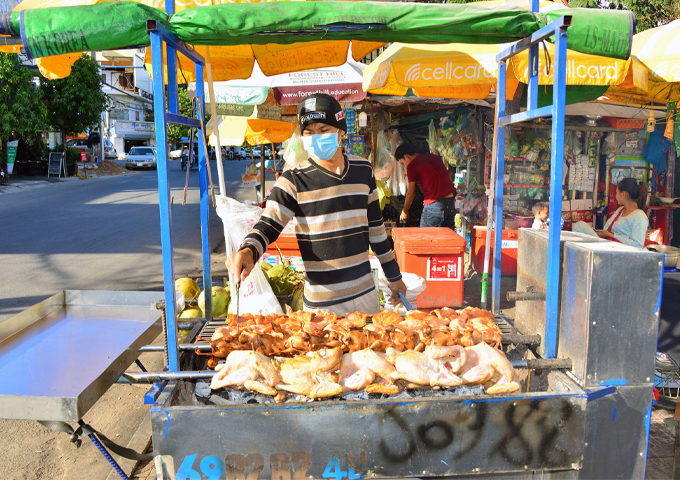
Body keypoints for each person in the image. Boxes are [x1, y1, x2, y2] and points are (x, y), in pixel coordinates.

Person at [226, 93, 407, 315]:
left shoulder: (363, 170)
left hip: (365, 296)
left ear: (341, 131)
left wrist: (394, 275)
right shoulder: (293, 180)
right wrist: (248, 250)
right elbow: (268, 225)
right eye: (309, 133)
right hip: (322, 306)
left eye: (323, 130)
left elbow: (376, 230)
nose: (316, 138)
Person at [572, 177, 648, 248]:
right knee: (579, 226)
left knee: (579, 226)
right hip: (607, 244)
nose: (615, 196)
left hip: (618, 250)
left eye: (617, 192)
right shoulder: (621, 210)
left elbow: (638, 245)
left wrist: (612, 235)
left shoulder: (639, 216)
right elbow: (607, 230)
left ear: (623, 194)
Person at [394, 144, 457, 229]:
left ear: (406, 157)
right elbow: (448, 177)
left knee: (425, 239)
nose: (404, 166)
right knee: (447, 240)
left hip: (434, 206)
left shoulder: (413, 165)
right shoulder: (434, 157)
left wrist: (405, 211)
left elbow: (410, 194)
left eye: (402, 163)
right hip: (450, 204)